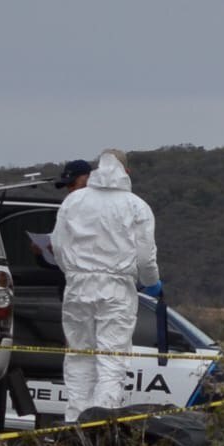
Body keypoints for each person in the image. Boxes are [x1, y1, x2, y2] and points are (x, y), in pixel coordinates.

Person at [50, 149, 162, 422]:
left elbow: (57, 245)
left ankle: (74, 425)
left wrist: (74, 273)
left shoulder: (73, 201)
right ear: (127, 172)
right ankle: (100, 429)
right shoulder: (136, 206)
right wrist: (151, 281)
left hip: (78, 287)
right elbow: (145, 256)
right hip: (116, 289)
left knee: (78, 358)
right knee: (111, 361)